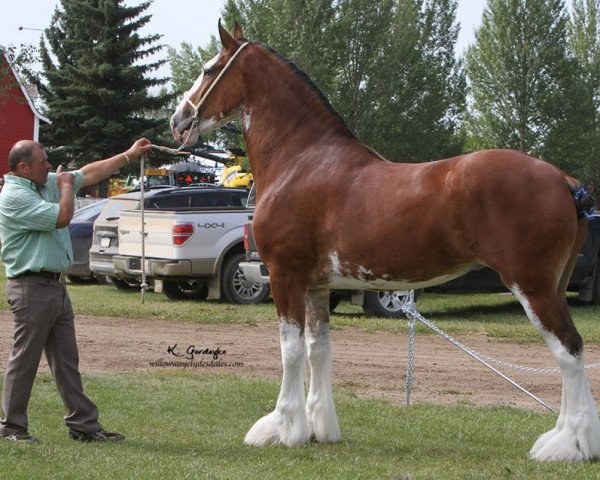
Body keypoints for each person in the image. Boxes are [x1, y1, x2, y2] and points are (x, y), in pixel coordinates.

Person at [0, 138, 152, 443]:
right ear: (22, 167)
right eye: (43, 161)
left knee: (67, 362)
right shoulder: (14, 196)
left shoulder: (44, 182)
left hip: (54, 286)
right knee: (24, 361)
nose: (48, 165)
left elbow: (90, 173)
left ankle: (84, 427)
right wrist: (67, 186)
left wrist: (128, 155)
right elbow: (62, 218)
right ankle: (11, 429)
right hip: (30, 286)